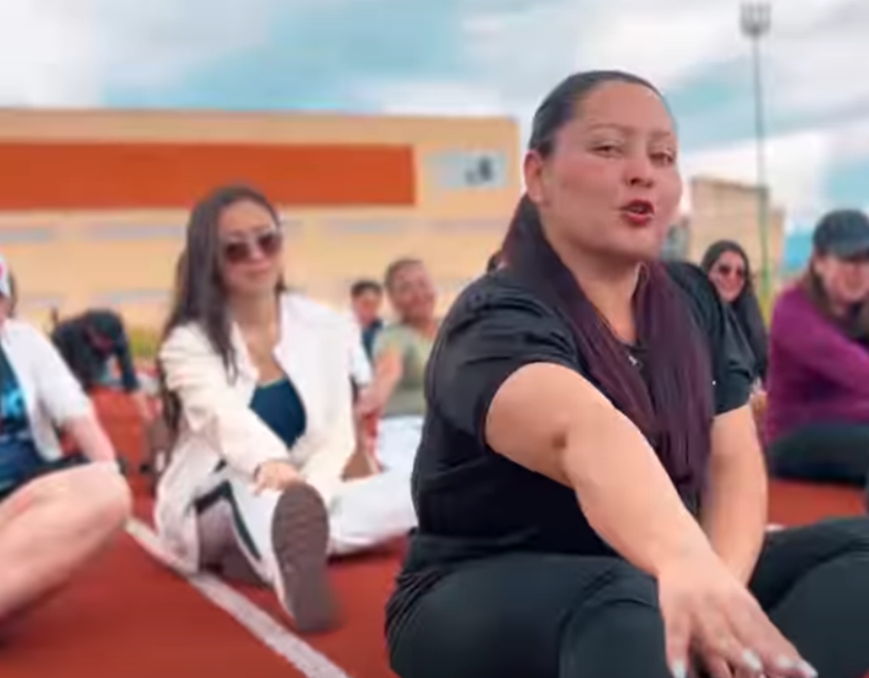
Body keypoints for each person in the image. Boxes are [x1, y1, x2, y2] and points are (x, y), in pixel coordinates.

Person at [385, 71, 869, 678]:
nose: (643, 171)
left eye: (662, 156)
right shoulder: (495, 316)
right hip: (480, 589)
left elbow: (732, 463)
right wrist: (683, 564)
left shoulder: (693, 298)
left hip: (663, 574)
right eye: (609, 148)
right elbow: (584, 431)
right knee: (628, 603)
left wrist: (719, 598)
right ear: (538, 176)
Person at [155, 185, 417, 634]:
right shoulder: (188, 342)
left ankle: (278, 545)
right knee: (250, 482)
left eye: (267, 239)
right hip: (214, 498)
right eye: (235, 248)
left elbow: (338, 434)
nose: (256, 255)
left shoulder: (326, 326)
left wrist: (309, 493)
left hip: (300, 489)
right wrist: (271, 465)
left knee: (421, 483)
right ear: (208, 259)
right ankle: (290, 578)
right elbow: (222, 418)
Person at [0, 252, 131, 622]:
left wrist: (108, 467)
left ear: (8, 303)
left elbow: (74, 410)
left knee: (108, 491)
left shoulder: (26, 343)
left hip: (18, 506)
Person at [766, 209, 869, 486]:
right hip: (795, 437)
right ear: (819, 262)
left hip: (853, 427)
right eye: (847, 258)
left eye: (865, 259)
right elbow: (854, 370)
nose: (858, 270)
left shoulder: (862, 311)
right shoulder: (792, 310)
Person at [50, 308, 154, 424]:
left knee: (139, 382)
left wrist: (146, 416)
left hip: (97, 367)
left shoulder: (118, 339)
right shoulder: (66, 334)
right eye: (106, 343)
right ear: (92, 333)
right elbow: (58, 374)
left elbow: (130, 379)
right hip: (66, 365)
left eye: (112, 344)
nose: (110, 347)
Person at [701, 240, 769, 383]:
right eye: (724, 270)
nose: (732, 277)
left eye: (740, 273)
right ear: (707, 272)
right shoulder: (691, 321)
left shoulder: (752, 324)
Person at [350, 279, 384, 360]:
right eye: (366, 303)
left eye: (375, 304)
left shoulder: (386, 329)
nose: (371, 308)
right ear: (354, 301)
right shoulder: (338, 328)